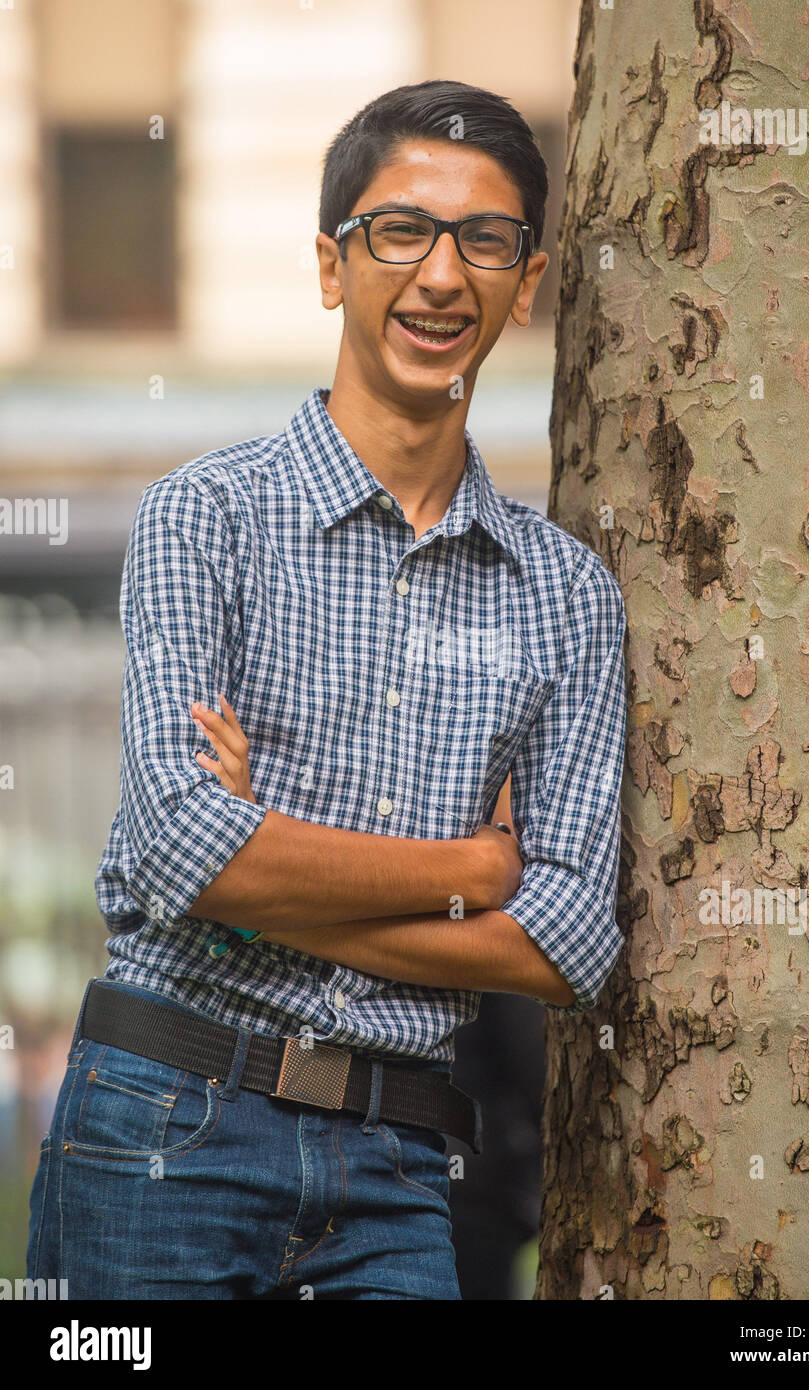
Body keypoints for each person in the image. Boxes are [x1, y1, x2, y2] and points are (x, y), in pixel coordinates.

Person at [26, 79, 627, 1300]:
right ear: (330, 264)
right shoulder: (209, 517)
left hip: (403, 1163)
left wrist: (251, 882)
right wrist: (473, 873)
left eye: (486, 240)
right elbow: (184, 845)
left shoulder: (567, 593)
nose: (442, 275)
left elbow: (569, 943)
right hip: (163, 1124)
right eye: (400, 230)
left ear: (528, 283)